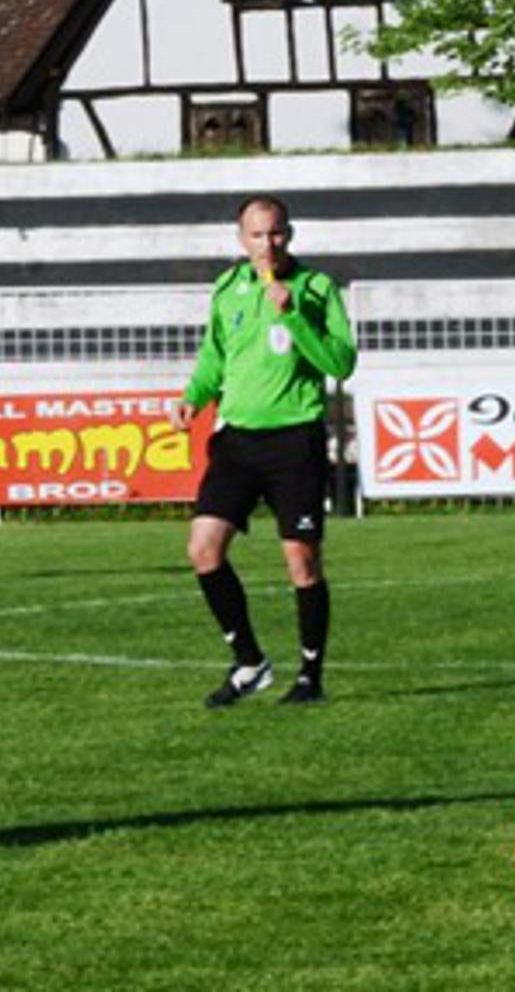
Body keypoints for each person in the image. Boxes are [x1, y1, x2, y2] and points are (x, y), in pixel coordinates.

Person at [178, 196, 356, 708]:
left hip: (294, 439)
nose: (268, 244)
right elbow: (215, 355)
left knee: (301, 561)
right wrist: (193, 398)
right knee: (203, 549)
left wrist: (294, 314)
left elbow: (340, 363)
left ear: (290, 234)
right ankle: (250, 663)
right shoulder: (227, 288)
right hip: (236, 439)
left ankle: (310, 677)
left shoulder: (316, 288)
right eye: (257, 235)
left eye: (275, 234)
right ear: (242, 240)